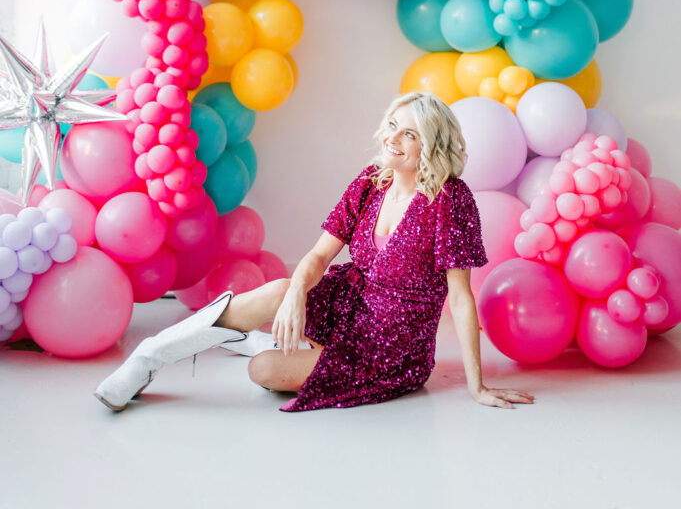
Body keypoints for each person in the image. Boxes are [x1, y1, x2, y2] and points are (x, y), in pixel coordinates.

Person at [95, 91, 534, 412]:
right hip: (350, 302)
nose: (393, 139)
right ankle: (148, 358)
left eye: (410, 134)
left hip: (391, 345)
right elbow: (319, 257)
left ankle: (269, 344)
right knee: (282, 288)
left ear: (432, 145)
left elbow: (460, 296)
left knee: (264, 371)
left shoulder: (451, 199)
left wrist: (478, 386)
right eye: (392, 126)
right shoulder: (370, 181)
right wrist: (295, 294)